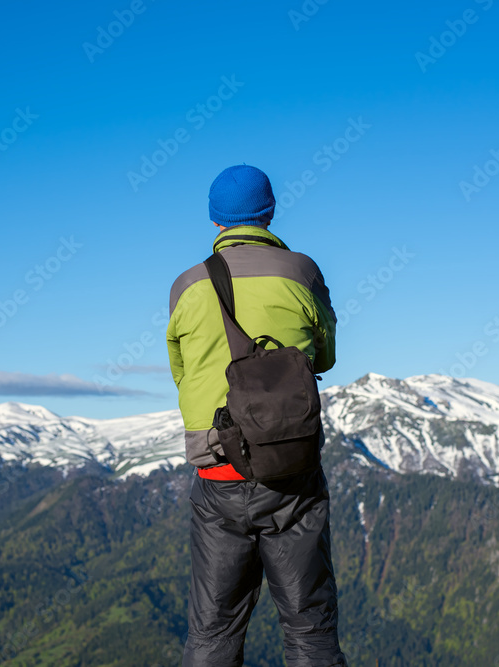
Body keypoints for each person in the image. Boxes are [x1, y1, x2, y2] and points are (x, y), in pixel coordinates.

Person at [166, 164, 347, 666]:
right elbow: (326, 356)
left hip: (218, 473)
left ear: (215, 219)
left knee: (212, 633)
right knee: (310, 630)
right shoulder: (302, 271)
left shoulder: (188, 285)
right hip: (290, 472)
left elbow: (181, 371)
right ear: (268, 212)